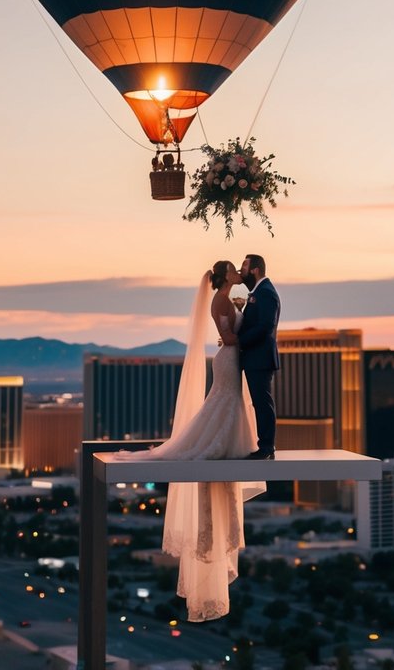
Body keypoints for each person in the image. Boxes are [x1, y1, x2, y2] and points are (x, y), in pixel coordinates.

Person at [110, 261, 262, 622]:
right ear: (226, 276)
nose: (240, 272)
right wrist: (253, 333)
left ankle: (222, 441)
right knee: (224, 400)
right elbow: (229, 338)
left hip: (231, 360)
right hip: (228, 359)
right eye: (234, 269)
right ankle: (213, 442)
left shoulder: (231, 299)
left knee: (228, 403)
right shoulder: (220, 303)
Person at [237, 254, 281, 460]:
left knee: (262, 402)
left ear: (255, 269)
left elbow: (265, 326)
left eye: (244, 265)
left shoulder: (266, 293)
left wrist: (239, 340)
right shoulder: (259, 292)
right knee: (259, 402)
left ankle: (266, 446)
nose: (241, 269)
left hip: (260, 357)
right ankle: (265, 445)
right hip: (254, 357)